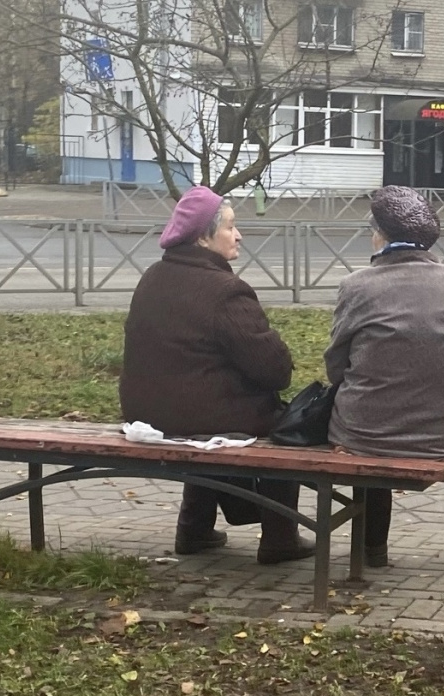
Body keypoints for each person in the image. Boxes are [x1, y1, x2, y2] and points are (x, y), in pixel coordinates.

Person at [119, 186, 316, 565]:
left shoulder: (153, 277)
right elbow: (274, 371)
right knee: (282, 423)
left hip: (146, 412)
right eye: (230, 227)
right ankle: (280, 537)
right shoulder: (225, 291)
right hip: (196, 418)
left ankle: (194, 528)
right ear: (204, 237)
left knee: (205, 410)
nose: (238, 234)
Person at [324, 185, 444, 572]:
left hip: (367, 430)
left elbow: (336, 360)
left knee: (370, 449)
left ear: (380, 235)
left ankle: (372, 548)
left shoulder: (356, 286)